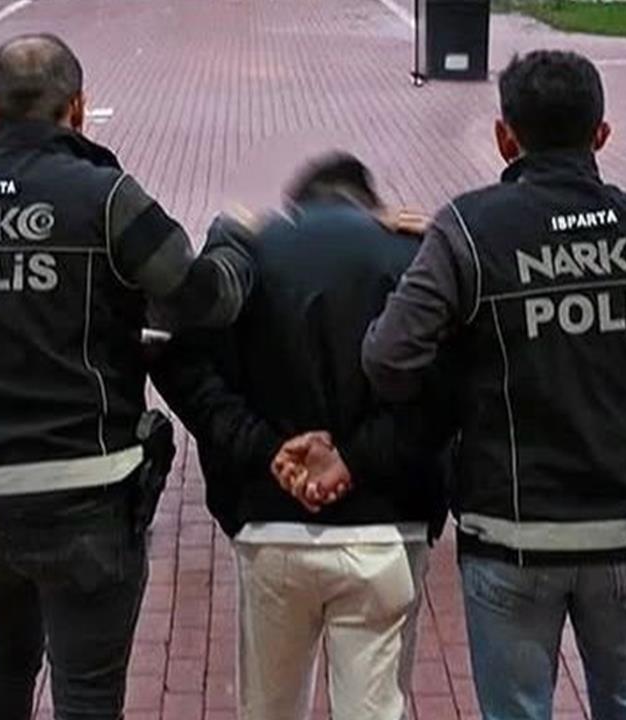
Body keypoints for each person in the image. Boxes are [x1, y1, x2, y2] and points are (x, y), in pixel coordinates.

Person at [0, 34, 252, 720]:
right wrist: (236, 242)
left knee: (4, 658)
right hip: (85, 489)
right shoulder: (105, 198)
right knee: (87, 691)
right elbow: (200, 300)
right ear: (79, 108)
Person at [362, 50, 626, 720]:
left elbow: (388, 357)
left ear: (505, 136)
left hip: (512, 533)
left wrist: (459, 357)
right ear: (601, 134)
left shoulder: (467, 232)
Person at [153, 153, 449, 720]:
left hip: (272, 524)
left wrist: (265, 450)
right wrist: (354, 460)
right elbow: (445, 392)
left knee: (270, 709)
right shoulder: (412, 256)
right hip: (387, 526)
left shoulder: (249, 255)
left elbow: (182, 364)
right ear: (372, 206)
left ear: (296, 205)